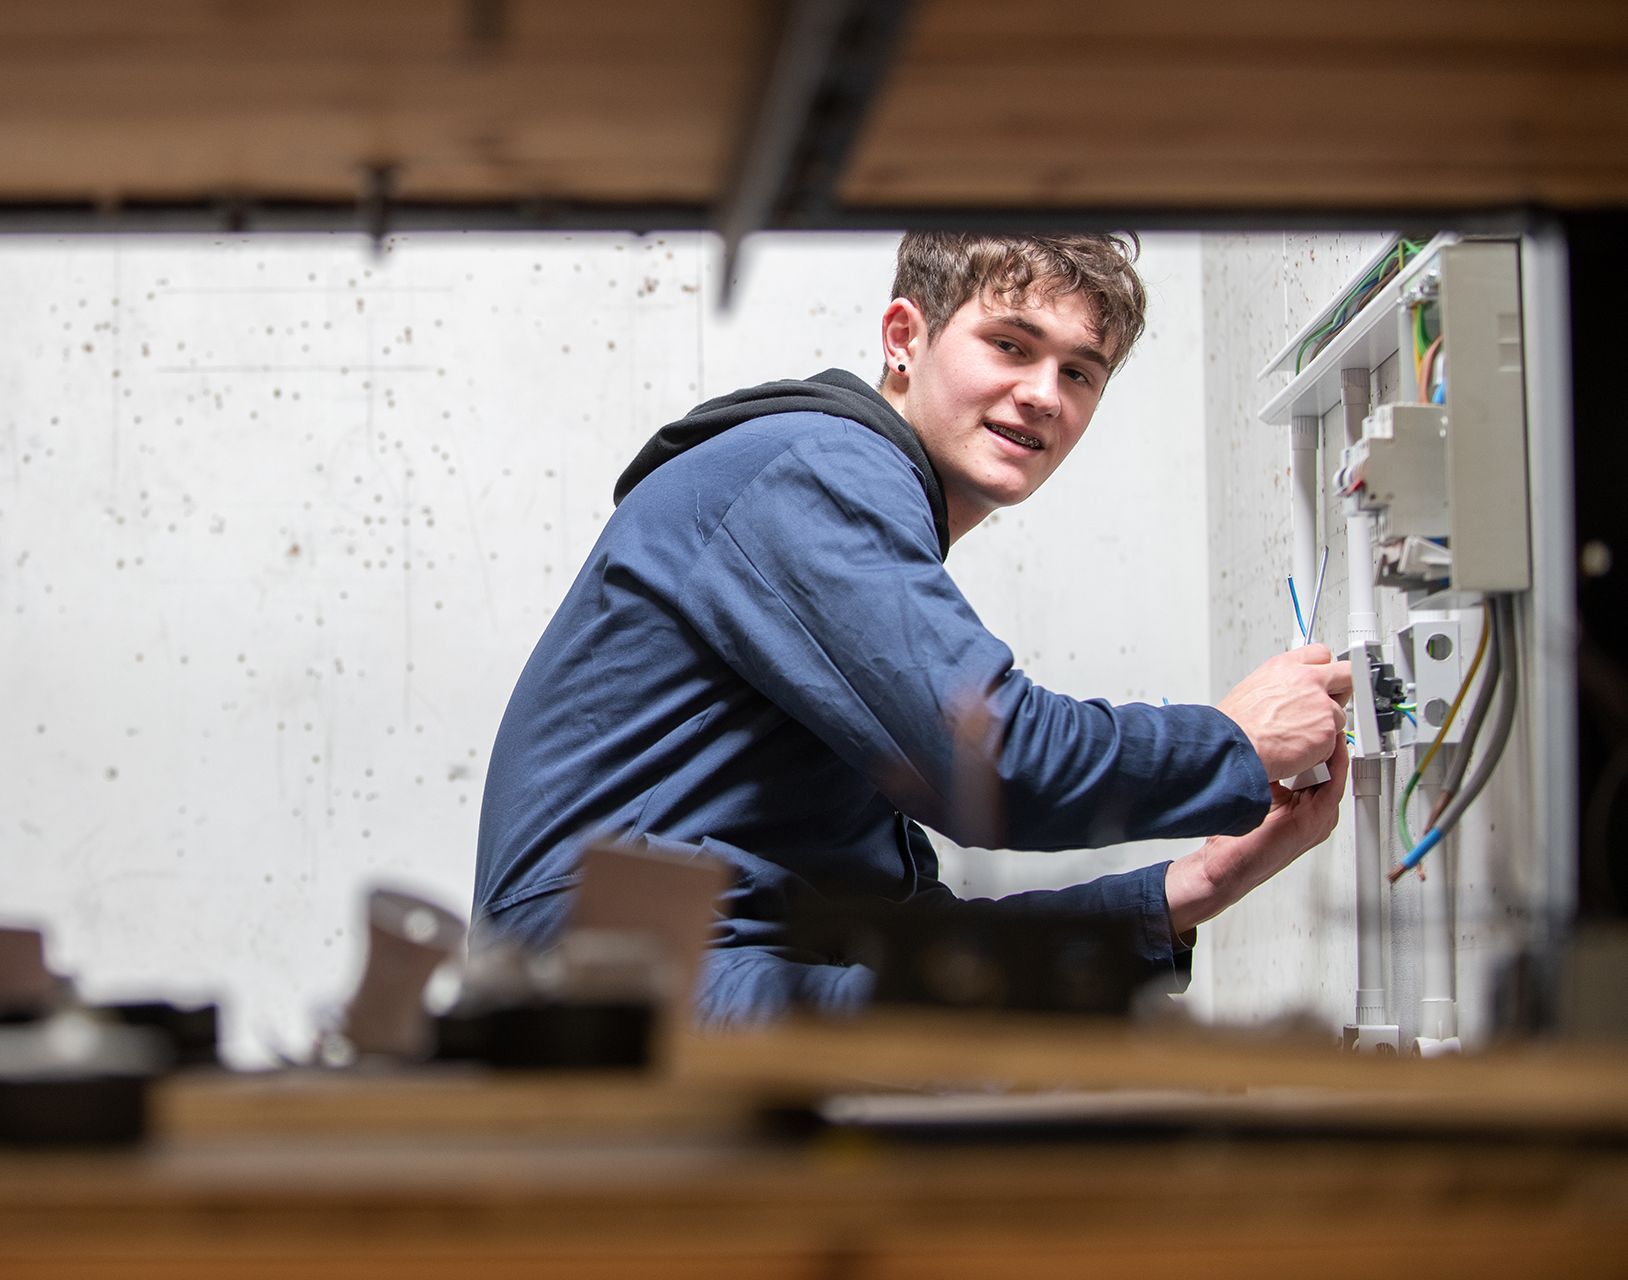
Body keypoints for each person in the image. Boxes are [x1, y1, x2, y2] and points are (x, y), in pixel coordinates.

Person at [473, 232, 1351, 1025]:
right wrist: (1233, 741)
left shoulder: (845, 523)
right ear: (905, 338)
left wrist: (1189, 888)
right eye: (1011, 344)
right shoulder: (819, 473)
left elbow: (911, 928)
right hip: (627, 979)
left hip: (688, 966)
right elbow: (998, 765)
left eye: (1081, 372)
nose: (1044, 395)